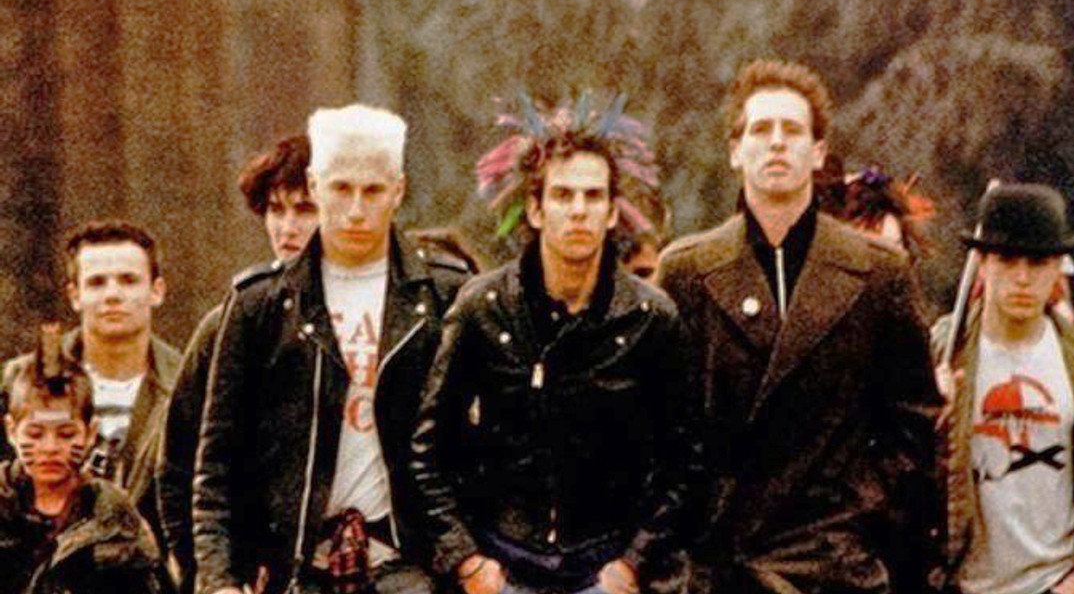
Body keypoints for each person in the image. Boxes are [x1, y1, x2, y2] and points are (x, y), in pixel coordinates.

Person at [657, 59, 942, 594]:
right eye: (761, 129)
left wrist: (864, 515)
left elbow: (913, 424)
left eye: (792, 130)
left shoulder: (878, 273)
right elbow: (662, 429)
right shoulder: (686, 272)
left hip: (836, 562)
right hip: (722, 564)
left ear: (817, 152)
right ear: (735, 150)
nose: (776, 143)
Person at [412, 92, 701, 594]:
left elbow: (684, 463)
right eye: (563, 195)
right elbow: (428, 450)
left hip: (605, 562)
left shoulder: (650, 319)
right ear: (535, 208)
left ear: (612, 211)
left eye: (593, 197)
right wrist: (468, 562)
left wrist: (633, 562)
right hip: (503, 559)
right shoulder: (484, 308)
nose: (579, 211)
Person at [193, 104, 472, 594]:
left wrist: (472, 561)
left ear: (399, 191)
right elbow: (216, 461)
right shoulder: (261, 303)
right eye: (341, 188)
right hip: (293, 568)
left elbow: (487, 446)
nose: (356, 210)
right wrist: (219, 580)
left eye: (373, 191)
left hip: (414, 566)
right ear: (315, 185)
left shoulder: (445, 294)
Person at [933, 183, 1074, 594]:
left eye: (1039, 262)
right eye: (1007, 260)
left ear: (1058, 267)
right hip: (962, 583)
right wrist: (930, 414)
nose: (1023, 278)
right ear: (982, 264)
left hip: (1054, 582)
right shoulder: (941, 355)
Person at [157, 134, 319, 590]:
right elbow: (178, 463)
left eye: (305, 209)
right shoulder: (232, 320)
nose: (287, 227)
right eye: (275, 210)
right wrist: (208, 576)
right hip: (253, 568)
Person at [2, 220, 178, 530]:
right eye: (97, 283)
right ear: (74, 295)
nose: (113, 295)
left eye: (128, 280)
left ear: (156, 290)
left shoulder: (187, 384)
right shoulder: (18, 380)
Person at [0, 324, 170, 594]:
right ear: (11, 431)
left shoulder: (116, 519)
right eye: (35, 433)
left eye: (66, 434)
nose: (50, 448)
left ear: (91, 433)